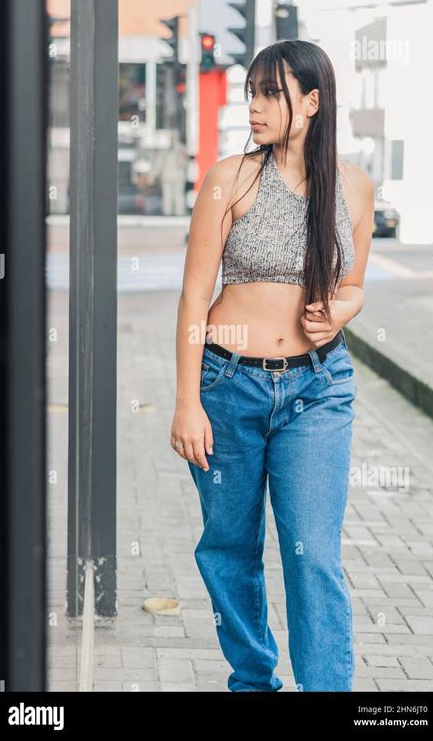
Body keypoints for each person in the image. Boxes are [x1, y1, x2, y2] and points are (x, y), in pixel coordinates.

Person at [170, 39, 374, 692]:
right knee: (229, 549)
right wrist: (186, 400)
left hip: (319, 389)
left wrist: (342, 312)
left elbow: (355, 284)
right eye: (252, 91)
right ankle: (253, 681)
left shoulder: (355, 187)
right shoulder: (228, 178)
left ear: (312, 103)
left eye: (271, 93)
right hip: (228, 387)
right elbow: (195, 295)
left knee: (312, 553)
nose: (253, 105)